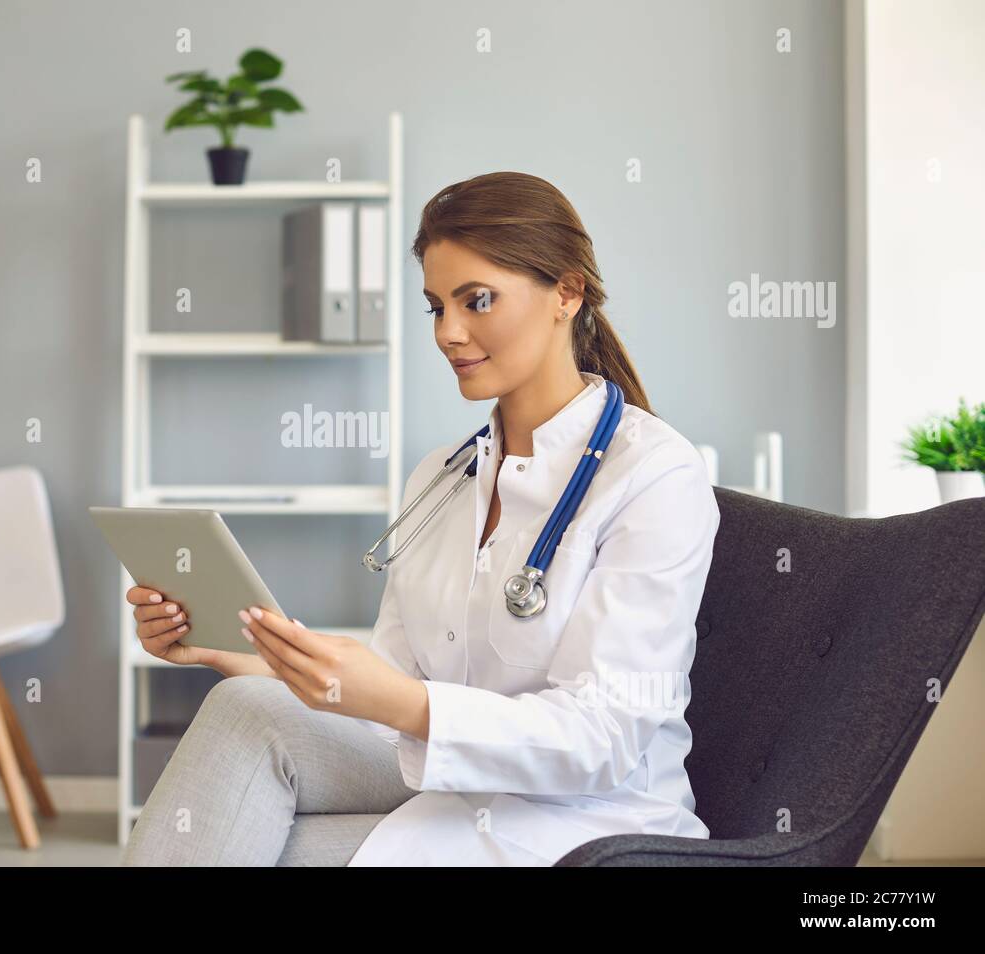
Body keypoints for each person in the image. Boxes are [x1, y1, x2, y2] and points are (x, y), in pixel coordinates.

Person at [120, 170, 720, 866]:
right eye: (436, 306)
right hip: (454, 782)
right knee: (242, 711)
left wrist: (406, 704)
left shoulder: (652, 475)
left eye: (478, 300)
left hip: (584, 820)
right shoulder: (443, 476)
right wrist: (238, 654)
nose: (449, 332)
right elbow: (391, 682)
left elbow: (603, 739)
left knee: (256, 849)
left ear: (568, 291)